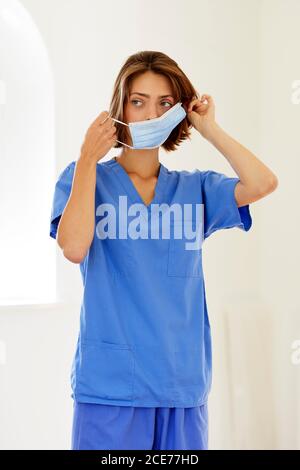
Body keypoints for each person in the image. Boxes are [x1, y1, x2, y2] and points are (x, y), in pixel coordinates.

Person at [49, 50, 278, 450]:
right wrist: (88, 157)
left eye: (165, 104)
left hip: (181, 386)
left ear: (179, 113)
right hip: (110, 390)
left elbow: (263, 182)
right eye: (138, 102)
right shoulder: (84, 178)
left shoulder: (196, 190)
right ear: (119, 106)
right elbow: (72, 246)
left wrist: (210, 129)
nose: (151, 114)